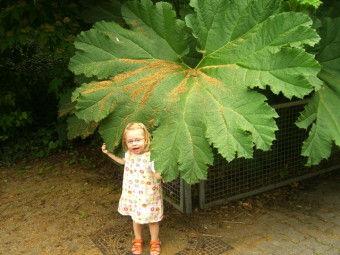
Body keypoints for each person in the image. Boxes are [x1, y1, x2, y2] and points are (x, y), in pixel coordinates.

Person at [101, 122, 163, 255]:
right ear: (126, 143)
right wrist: (108, 153)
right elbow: (122, 161)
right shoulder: (129, 154)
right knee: (136, 219)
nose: (134, 143)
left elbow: (156, 174)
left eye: (138, 140)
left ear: (145, 139)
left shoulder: (150, 156)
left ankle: (155, 241)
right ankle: (138, 239)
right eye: (130, 141)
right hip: (133, 195)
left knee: (153, 220)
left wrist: (163, 175)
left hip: (149, 196)